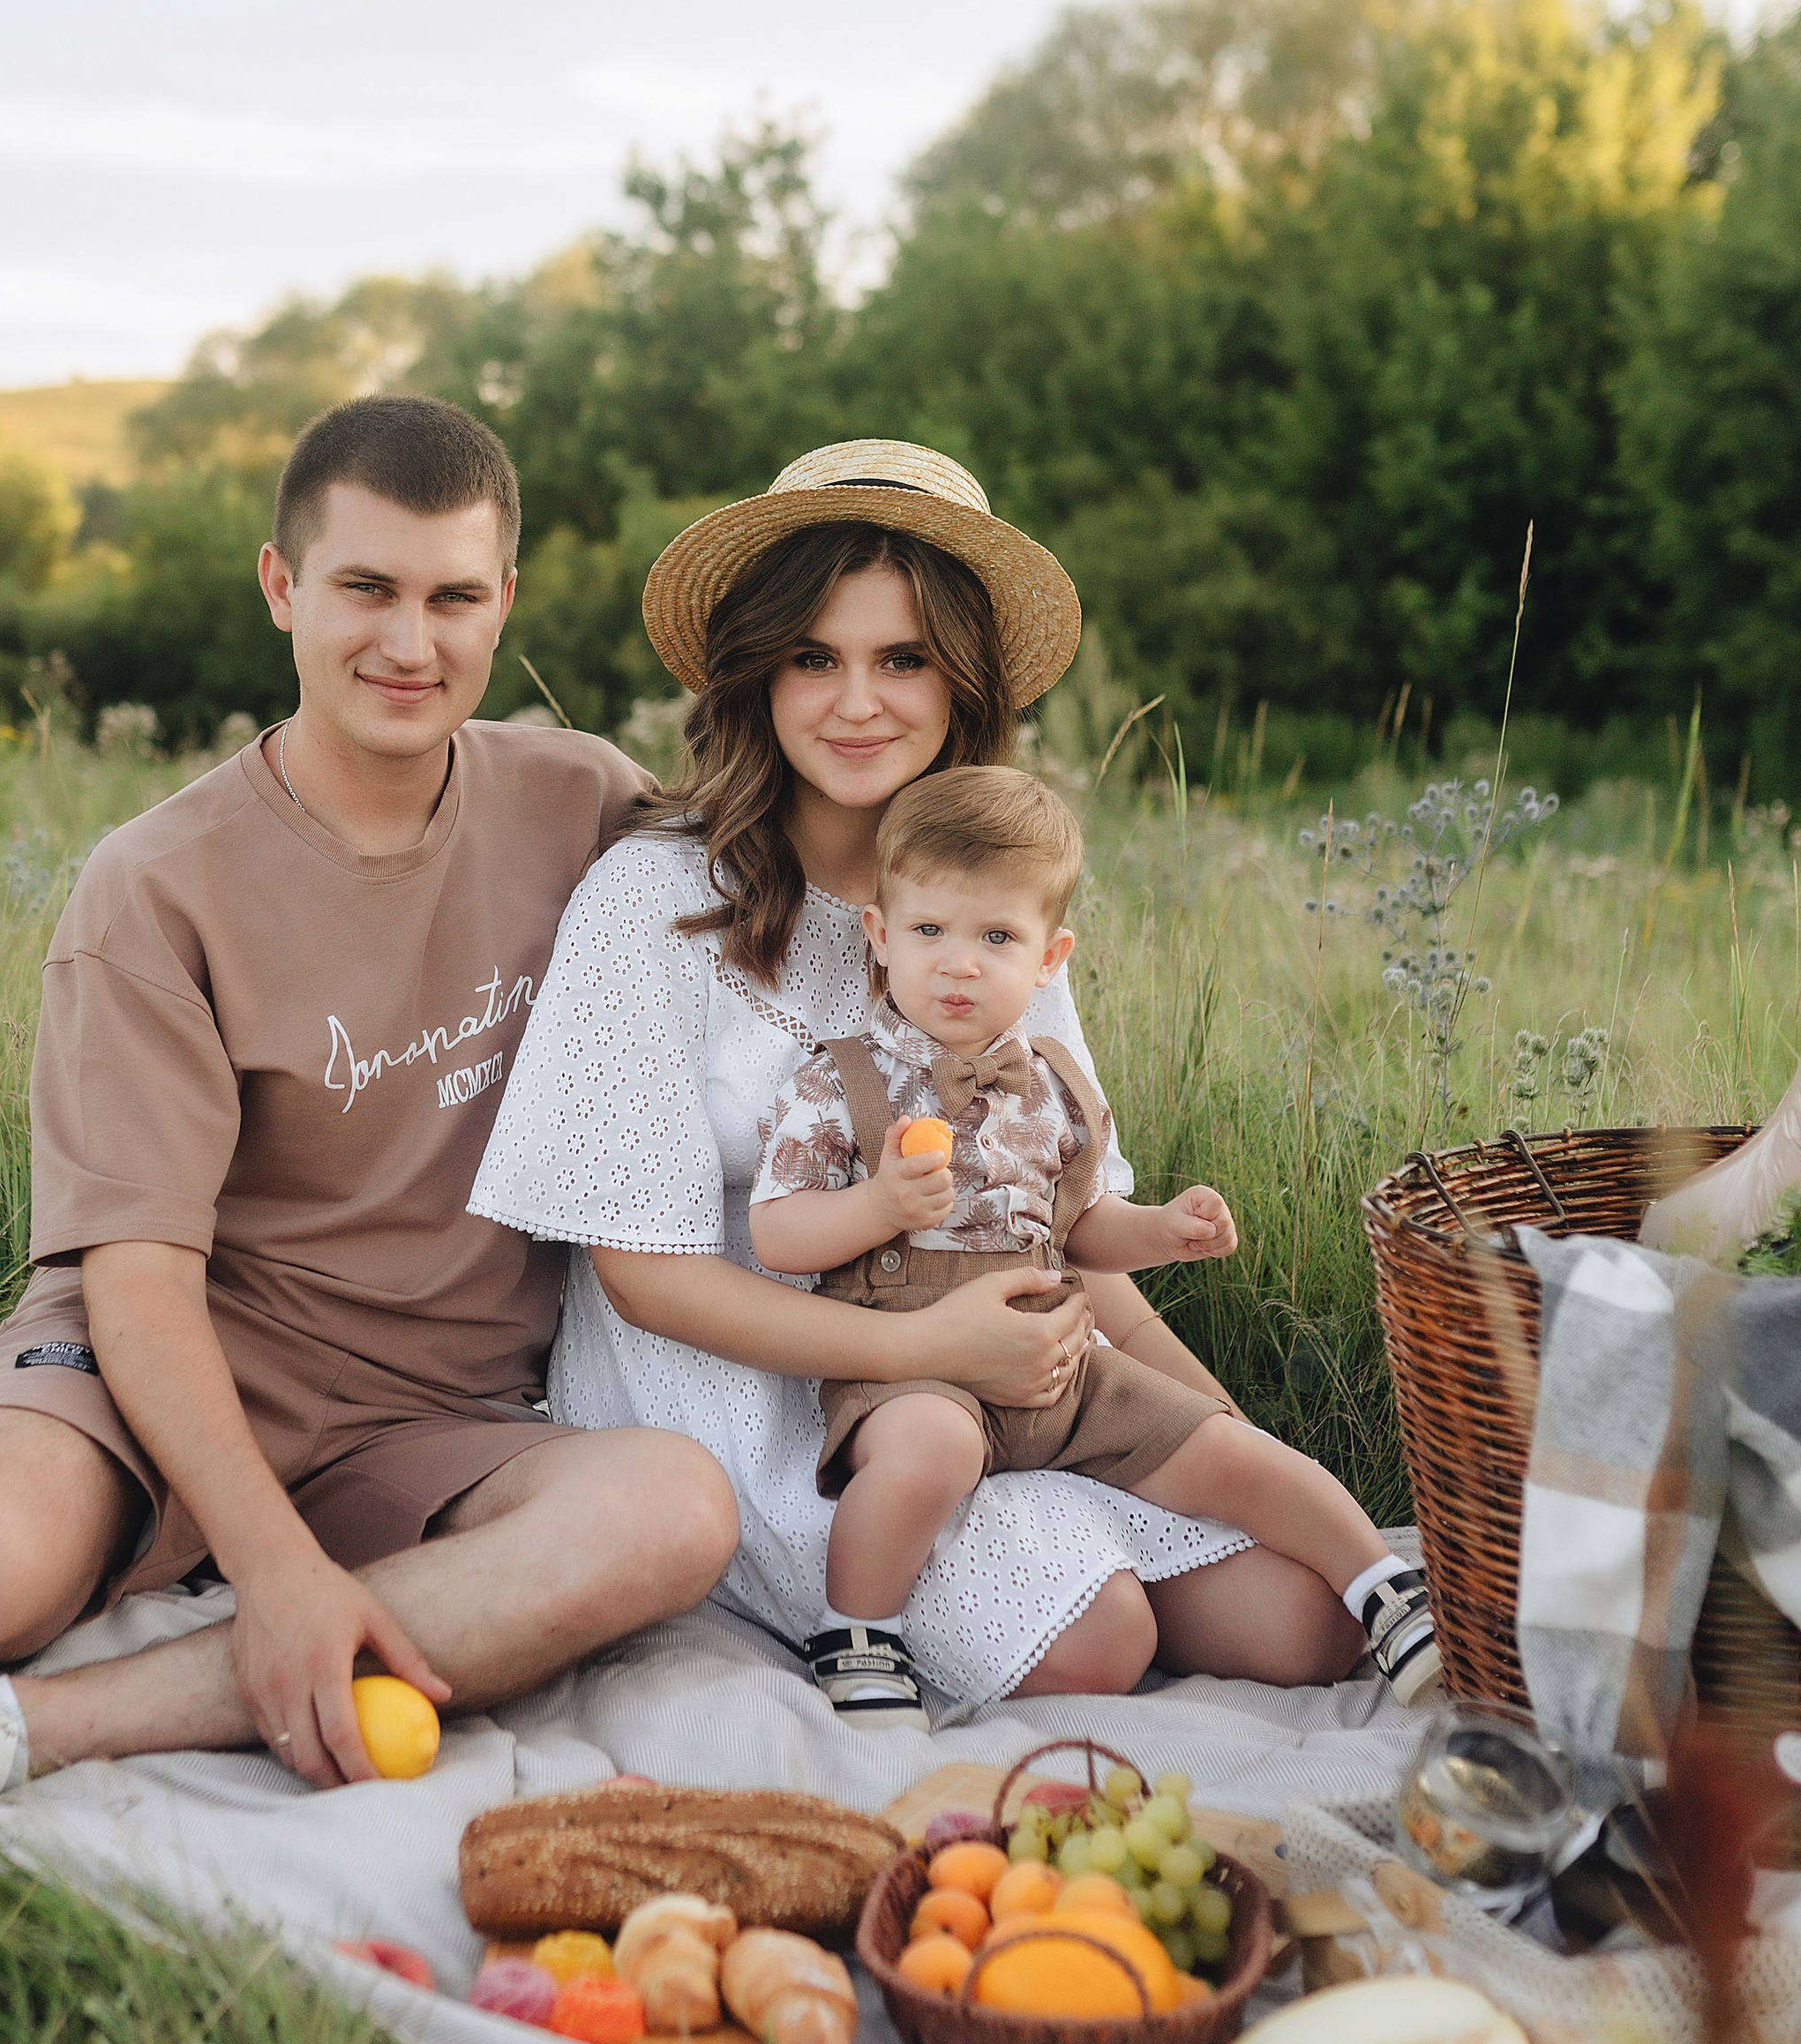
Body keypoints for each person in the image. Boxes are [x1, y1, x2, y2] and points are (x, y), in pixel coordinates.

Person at [0, 397, 740, 1787]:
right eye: (366, 587)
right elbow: (142, 1278)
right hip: (160, 1362)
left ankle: (25, 1730)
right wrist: (271, 1564)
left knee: (671, 1510)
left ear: (505, 601)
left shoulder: (579, 800)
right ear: (281, 585)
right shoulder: (160, 884)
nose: (411, 643)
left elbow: (785, 892)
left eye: (453, 598)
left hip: (437, 1417)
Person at [471, 438, 1375, 1728]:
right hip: (732, 1370)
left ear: (962, 679)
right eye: (814, 658)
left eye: (902, 659)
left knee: (1308, 1619)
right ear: (758, 672)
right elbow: (643, 1277)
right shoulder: (653, 900)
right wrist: (921, 1349)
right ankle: (912, 1587)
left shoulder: (988, 900)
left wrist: (1216, 1425)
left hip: (986, 1359)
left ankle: (1063, 1508)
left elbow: (1057, 1220)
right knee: (1101, 1636)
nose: (858, 703)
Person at [747, 762, 1440, 1726]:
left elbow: (1078, 1229)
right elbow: (777, 1233)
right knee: (926, 1453)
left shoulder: (1054, 1086)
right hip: (911, 1366)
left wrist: (1160, 1231)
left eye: (996, 937)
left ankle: (1385, 1589)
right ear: (879, 934)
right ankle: (857, 1631)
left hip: (1060, 1360)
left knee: (1222, 1445)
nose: (958, 964)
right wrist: (877, 1206)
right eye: (929, 931)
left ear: (1049, 957)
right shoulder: (840, 1082)